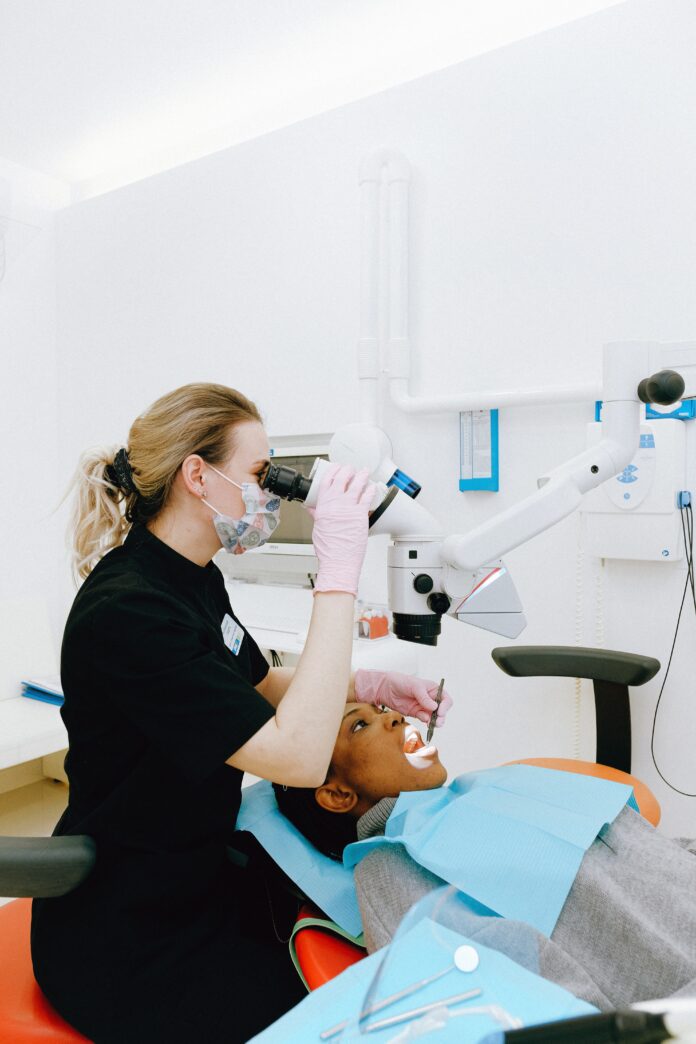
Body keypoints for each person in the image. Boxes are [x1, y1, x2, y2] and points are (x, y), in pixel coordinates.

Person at [30, 383, 452, 1044]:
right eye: (261, 475)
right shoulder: (130, 611)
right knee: (332, 1020)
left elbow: (255, 682)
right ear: (197, 475)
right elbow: (299, 757)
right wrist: (338, 571)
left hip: (196, 880)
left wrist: (368, 683)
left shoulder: (192, 575)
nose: (271, 494)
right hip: (128, 934)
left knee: (349, 960)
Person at [274, 701, 696, 1012]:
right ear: (337, 794)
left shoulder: (476, 789)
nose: (395, 718)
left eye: (383, 707)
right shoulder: (388, 864)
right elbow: (518, 999)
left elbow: (642, 851)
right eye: (360, 725)